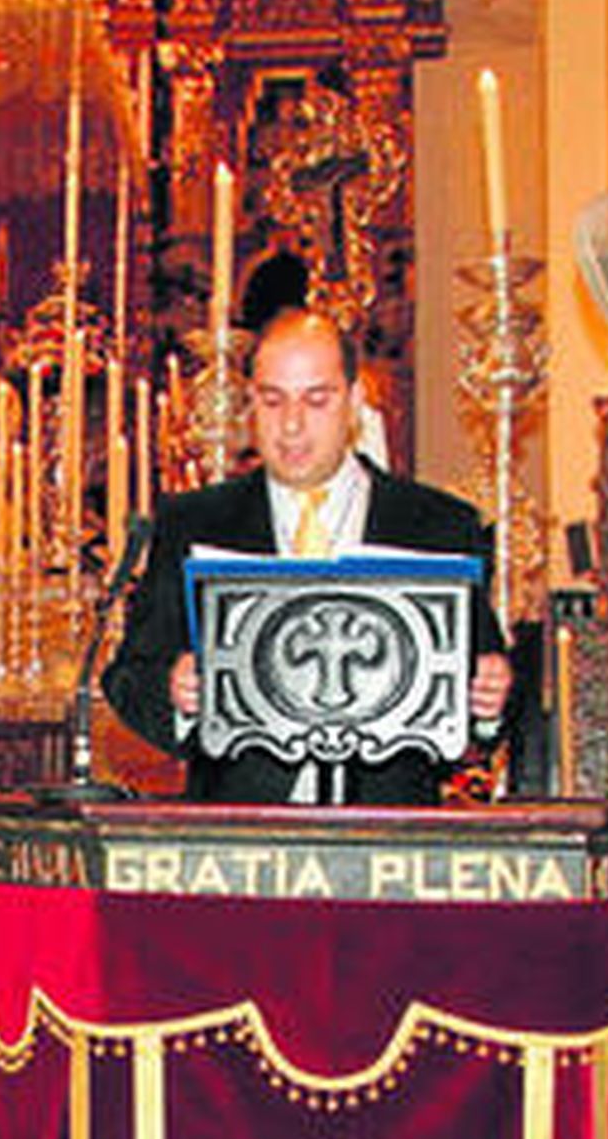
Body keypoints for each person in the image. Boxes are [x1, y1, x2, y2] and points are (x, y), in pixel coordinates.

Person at [102, 308, 513, 805]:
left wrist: (490, 700)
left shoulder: (437, 526)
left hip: (391, 838)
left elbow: (488, 681)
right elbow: (129, 675)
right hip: (238, 836)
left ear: (355, 402)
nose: (291, 426)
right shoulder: (196, 522)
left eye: (316, 400)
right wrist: (175, 692)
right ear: (249, 401)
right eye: (272, 401)